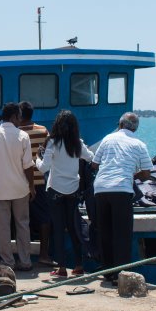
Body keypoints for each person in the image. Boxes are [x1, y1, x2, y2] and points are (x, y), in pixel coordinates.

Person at [91, 112, 152, 282]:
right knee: (122, 233)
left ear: (120, 125)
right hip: (122, 189)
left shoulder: (108, 139)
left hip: (101, 188)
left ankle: (108, 271)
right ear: (136, 128)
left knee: (105, 231)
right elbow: (147, 174)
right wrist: (132, 174)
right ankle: (121, 274)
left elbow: (95, 164)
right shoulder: (139, 144)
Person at [36, 110, 95, 278]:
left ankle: (61, 268)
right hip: (73, 190)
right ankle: (78, 265)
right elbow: (90, 157)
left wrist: (36, 159)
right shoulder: (78, 143)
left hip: (55, 190)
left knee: (59, 229)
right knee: (74, 227)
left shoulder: (53, 143)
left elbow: (43, 168)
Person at [0, 102, 35, 271]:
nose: (20, 120)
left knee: (3, 227)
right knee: (22, 225)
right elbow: (28, 166)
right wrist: (32, 186)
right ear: (13, 117)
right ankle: (25, 261)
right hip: (20, 189)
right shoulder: (22, 136)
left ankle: (7, 262)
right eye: (19, 117)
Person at [19, 101, 53, 267]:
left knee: (19, 220)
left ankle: (21, 255)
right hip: (40, 180)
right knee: (44, 218)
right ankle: (44, 254)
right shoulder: (43, 131)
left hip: (20, 182)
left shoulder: (16, 133)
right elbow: (47, 154)